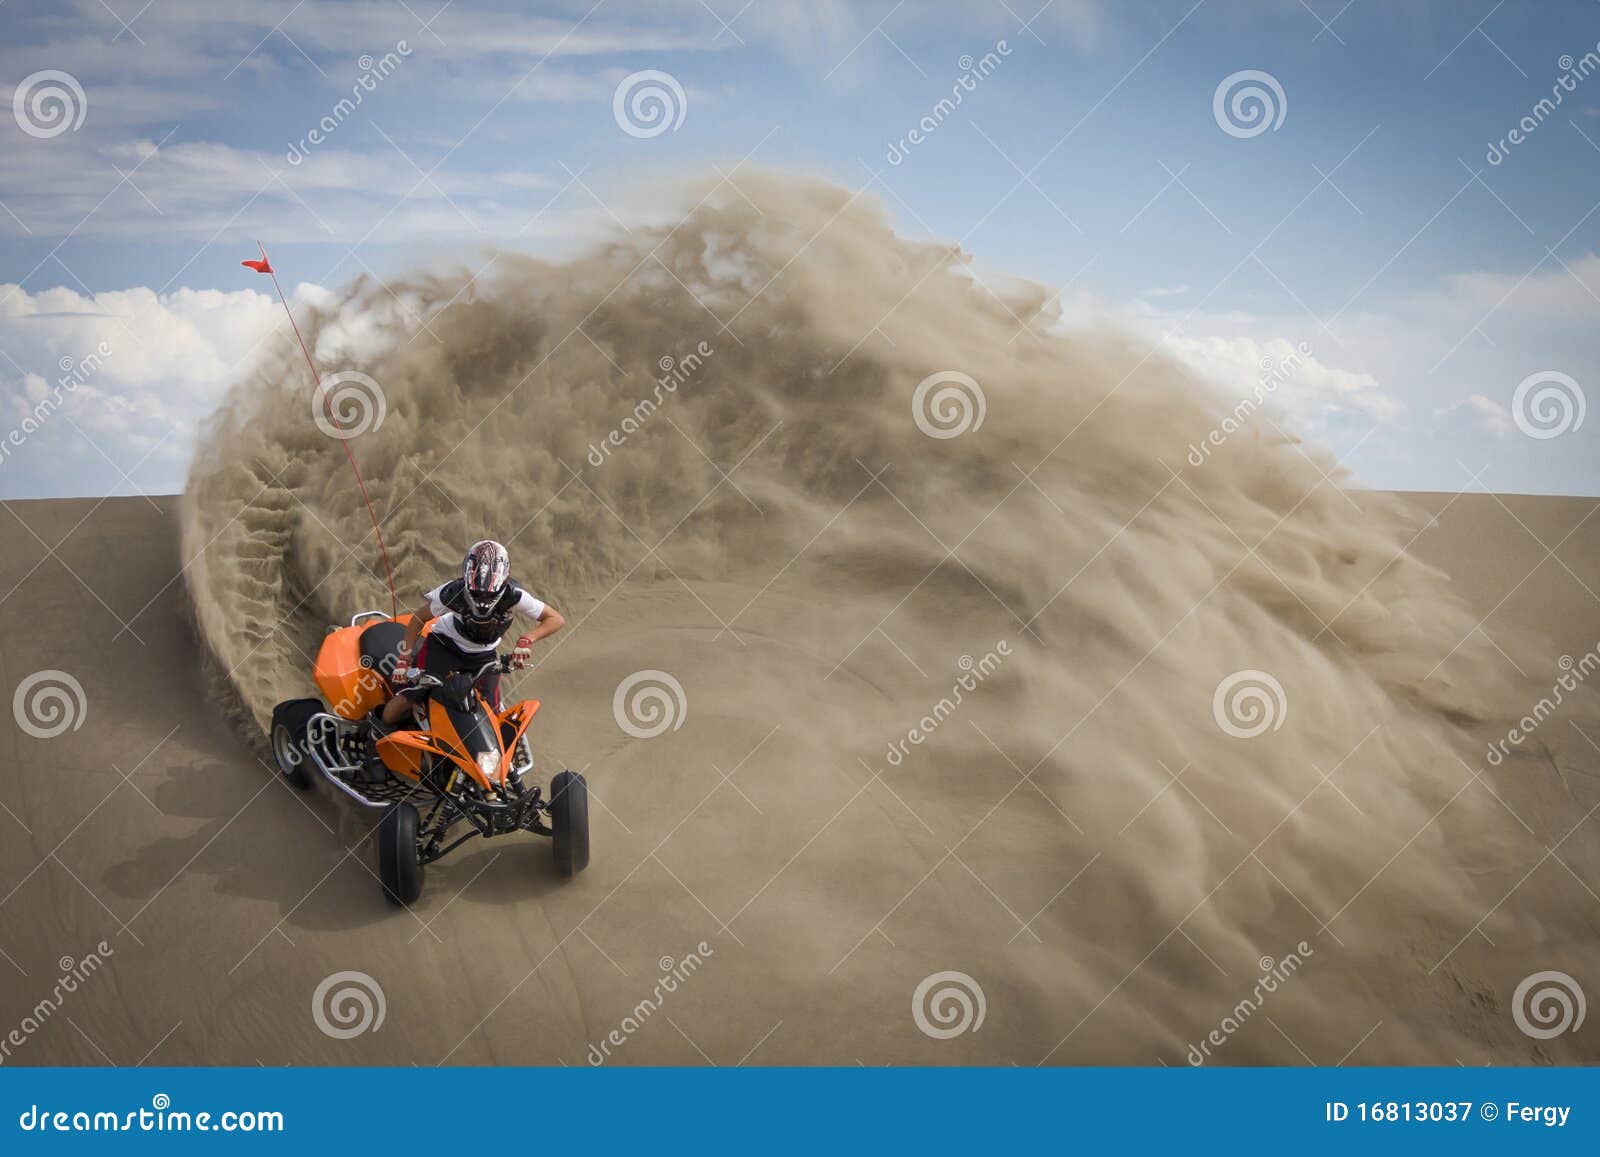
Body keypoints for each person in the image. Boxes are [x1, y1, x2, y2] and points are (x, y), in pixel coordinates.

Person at [376, 539, 565, 730]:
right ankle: (378, 733)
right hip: (444, 646)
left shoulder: (515, 596)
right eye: (475, 593)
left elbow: (555, 619)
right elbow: (419, 618)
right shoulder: (452, 592)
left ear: (504, 581)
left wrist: (527, 639)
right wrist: (405, 656)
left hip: (483, 656)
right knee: (409, 697)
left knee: (493, 714)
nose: (482, 600)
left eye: (489, 595)